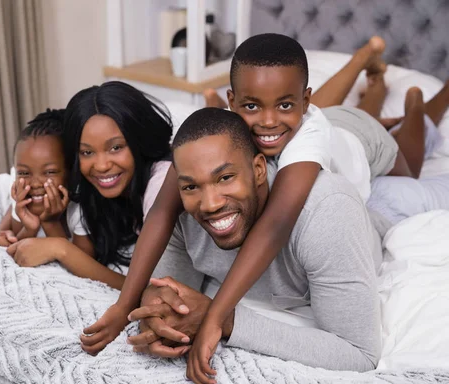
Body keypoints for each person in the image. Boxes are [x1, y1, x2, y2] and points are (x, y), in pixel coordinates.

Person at [80, 34, 398, 356]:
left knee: (379, 131)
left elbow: (275, 224)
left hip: (358, 143)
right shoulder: (200, 161)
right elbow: (162, 214)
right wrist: (132, 305)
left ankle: (376, 77)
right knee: (277, 117)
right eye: (250, 105)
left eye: (286, 104)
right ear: (233, 102)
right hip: (283, 125)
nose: (211, 201)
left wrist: (216, 317)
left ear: (259, 168)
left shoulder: (310, 157)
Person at [126, 108, 381, 384]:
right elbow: (166, 289)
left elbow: (359, 355)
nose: (210, 204)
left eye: (225, 178)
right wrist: (156, 310)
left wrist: (224, 320)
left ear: (258, 170)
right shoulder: (181, 214)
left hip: (359, 134)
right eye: (191, 187)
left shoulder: (327, 211)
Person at [6, 81, 173, 292]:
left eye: (115, 147)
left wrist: (61, 249)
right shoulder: (83, 184)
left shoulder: (161, 185)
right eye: (87, 152)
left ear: (139, 140)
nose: (101, 166)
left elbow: (156, 290)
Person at [0, 109, 70, 247]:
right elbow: (4, 241)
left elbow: (73, 257)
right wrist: (29, 229)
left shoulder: (79, 211)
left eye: (49, 172)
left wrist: (50, 223)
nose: (36, 184)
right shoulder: (21, 193)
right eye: (24, 173)